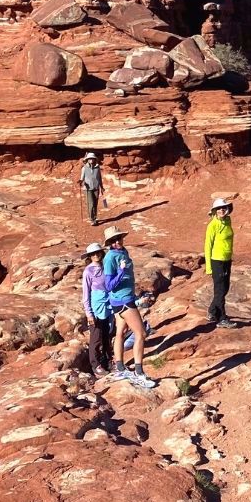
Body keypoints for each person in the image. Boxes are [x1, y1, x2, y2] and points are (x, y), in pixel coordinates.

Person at [103, 226, 156, 388]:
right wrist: (121, 271)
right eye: (113, 240)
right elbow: (108, 285)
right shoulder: (110, 258)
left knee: (121, 332)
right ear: (109, 243)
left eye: (119, 238)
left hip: (124, 299)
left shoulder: (123, 252)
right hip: (123, 301)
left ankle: (120, 367)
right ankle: (139, 372)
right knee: (141, 333)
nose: (117, 241)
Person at [78, 243, 114, 376]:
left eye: (98, 252)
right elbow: (86, 294)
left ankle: (107, 362)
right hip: (96, 309)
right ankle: (95, 365)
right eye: (93, 254)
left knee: (107, 336)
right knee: (96, 338)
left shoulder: (106, 267)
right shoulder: (88, 271)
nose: (96, 255)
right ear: (89, 256)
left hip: (108, 307)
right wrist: (89, 313)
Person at [203, 198, 236, 329]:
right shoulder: (212, 225)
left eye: (223, 208)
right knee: (220, 290)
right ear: (214, 211)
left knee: (225, 288)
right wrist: (209, 267)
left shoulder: (228, 221)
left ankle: (212, 311)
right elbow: (207, 246)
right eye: (219, 209)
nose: (221, 210)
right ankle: (222, 318)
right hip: (217, 261)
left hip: (227, 259)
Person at [78, 152, 104, 226]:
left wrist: (101, 187)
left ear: (94, 159)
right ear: (87, 160)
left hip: (96, 188)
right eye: (89, 159)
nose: (91, 160)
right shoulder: (84, 168)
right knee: (91, 204)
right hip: (87, 189)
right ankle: (92, 219)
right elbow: (82, 178)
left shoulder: (97, 168)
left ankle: (95, 217)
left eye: (92, 159)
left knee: (95, 203)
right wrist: (80, 181)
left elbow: (99, 178)